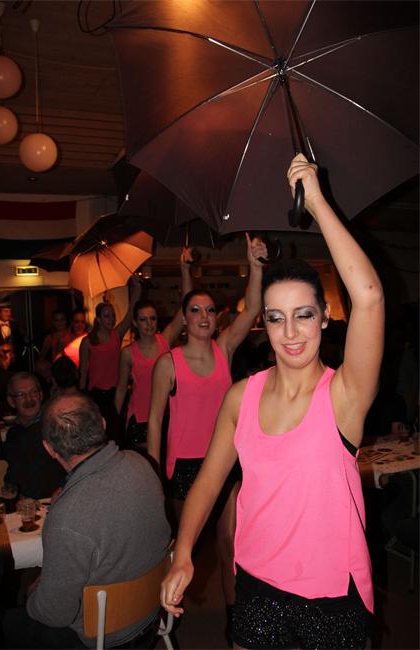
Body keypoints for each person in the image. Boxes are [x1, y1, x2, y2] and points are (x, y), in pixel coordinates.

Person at [160, 154, 385, 650]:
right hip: (257, 583)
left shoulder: (344, 396)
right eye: (277, 318)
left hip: (332, 593)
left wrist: (318, 202)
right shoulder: (242, 396)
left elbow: (369, 295)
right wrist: (184, 551)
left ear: (324, 318)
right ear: (263, 322)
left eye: (304, 315)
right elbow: (209, 482)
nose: (291, 332)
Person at [147, 233, 267, 640]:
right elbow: (154, 421)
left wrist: (255, 266)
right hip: (184, 467)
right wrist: (153, 473)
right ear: (184, 318)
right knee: (184, 546)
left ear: (217, 318)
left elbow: (253, 307)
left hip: (226, 460)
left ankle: (235, 622)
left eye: (210, 310)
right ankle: (160, 610)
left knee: (230, 544)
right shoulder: (168, 363)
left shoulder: (224, 350)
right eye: (195, 310)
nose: (203, 316)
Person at [3, 392, 171, 649]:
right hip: (151, 614)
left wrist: (32, 595)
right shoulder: (141, 464)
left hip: (106, 637)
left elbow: (55, 614)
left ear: (49, 449)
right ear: (102, 423)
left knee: (4, 624)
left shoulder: (67, 516)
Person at [115, 248, 193, 450]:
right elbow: (121, 389)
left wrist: (184, 270)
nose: (149, 324)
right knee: (144, 466)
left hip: (166, 415)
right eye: (143, 319)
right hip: (139, 419)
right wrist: (114, 425)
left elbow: (186, 305)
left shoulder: (164, 340)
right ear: (135, 323)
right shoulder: (127, 353)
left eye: (152, 318)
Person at [79, 279, 141, 446]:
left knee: (116, 433)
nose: (111, 319)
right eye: (107, 316)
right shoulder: (88, 341)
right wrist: (82, 397)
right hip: (96, 395)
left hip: (115, 393)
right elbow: (83, 372)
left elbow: (130, 313)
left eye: (113, 316)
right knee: (99, 434)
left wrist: (136, 289)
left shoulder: (116, 335)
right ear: (98, 319)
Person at [3, 372, 65, 499]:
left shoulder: (56, 426)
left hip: (55, 500)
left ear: (41, 395)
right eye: (21, 395)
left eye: (33, 392)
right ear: (11, 401)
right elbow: (13, 474)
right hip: (25, 504)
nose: (29, 399)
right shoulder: (13, 434)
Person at [0, 297, 26, 370]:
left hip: (16, 365)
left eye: (10, 311)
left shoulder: (17, 325)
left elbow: (23, 344)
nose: (9, 314)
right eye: (6, 311)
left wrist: (13, 349)